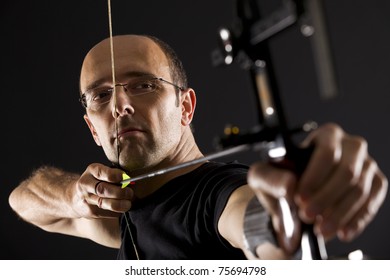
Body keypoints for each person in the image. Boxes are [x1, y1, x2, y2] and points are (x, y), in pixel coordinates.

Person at [8, 34, 387, 260]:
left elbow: (256, 224)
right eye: (101, 95)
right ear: (93, 127)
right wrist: (75, 196)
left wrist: (289, 215)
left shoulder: (217, 196)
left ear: (185, 107)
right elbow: (23, 200)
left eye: (143, 85)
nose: (119, 106)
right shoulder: (124, 214)